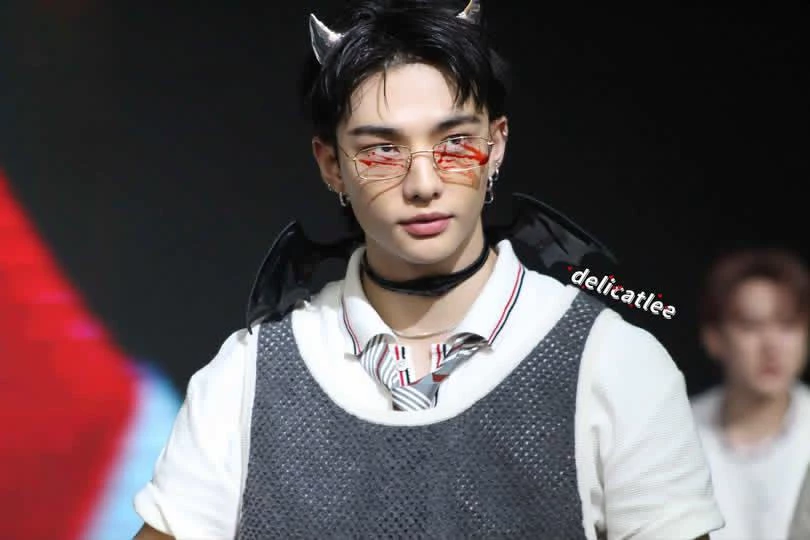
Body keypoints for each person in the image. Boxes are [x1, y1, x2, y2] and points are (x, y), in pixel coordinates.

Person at [133, 1, 723, 538]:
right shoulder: (250, 376)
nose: (423, 182)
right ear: (331, 164)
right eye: (381, 150)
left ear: (496, 144)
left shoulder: (612, 363)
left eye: (455, 142)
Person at [691, 248, 810, 540]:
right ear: (714, 337)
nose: (772, 345)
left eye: (787, 325)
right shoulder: (678, 432)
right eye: (751, 326)